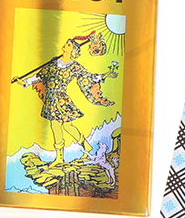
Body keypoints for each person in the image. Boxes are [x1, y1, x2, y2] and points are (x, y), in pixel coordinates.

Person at [17, 35, 114, 164]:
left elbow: (89, 77)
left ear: (73, 50)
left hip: (61, 100)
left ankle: (60, 158)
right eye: (67, 43)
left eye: (69, 44)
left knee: (60, 126)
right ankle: (85, 147)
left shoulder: (74, 66)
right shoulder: (54, 62)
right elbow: (40, 75)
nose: (66, 45)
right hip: (51, 99)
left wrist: (105, 75)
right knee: (64, 126)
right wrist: (24, 82)